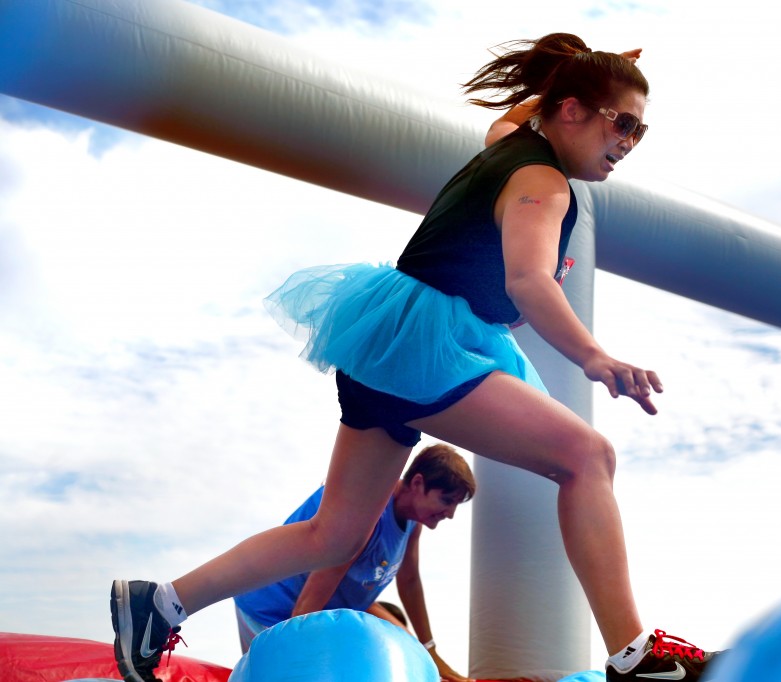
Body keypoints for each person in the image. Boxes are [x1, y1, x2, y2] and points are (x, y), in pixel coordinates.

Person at [110, 33, 715, 682]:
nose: (627, 142)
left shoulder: (511, 143)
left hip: (390, 338)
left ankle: (160, 602)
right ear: (571, 111)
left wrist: (587, 75)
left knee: (335, 537)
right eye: (621, 123)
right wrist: (595, 357)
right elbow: (529, 282)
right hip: (432, 341)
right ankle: (634, 655)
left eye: (639, 132)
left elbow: (514, 116)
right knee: (587, 456)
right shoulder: (544, 182)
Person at [232, 444, 474, 682]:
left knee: (405, 644)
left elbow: (410, 583)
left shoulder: (413, 524)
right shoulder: (364, 512)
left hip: (326, 603)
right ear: (418, 483)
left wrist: (429, 653)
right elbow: (306, 608)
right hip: (270, 606)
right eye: (446, 500)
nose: (450, 513)